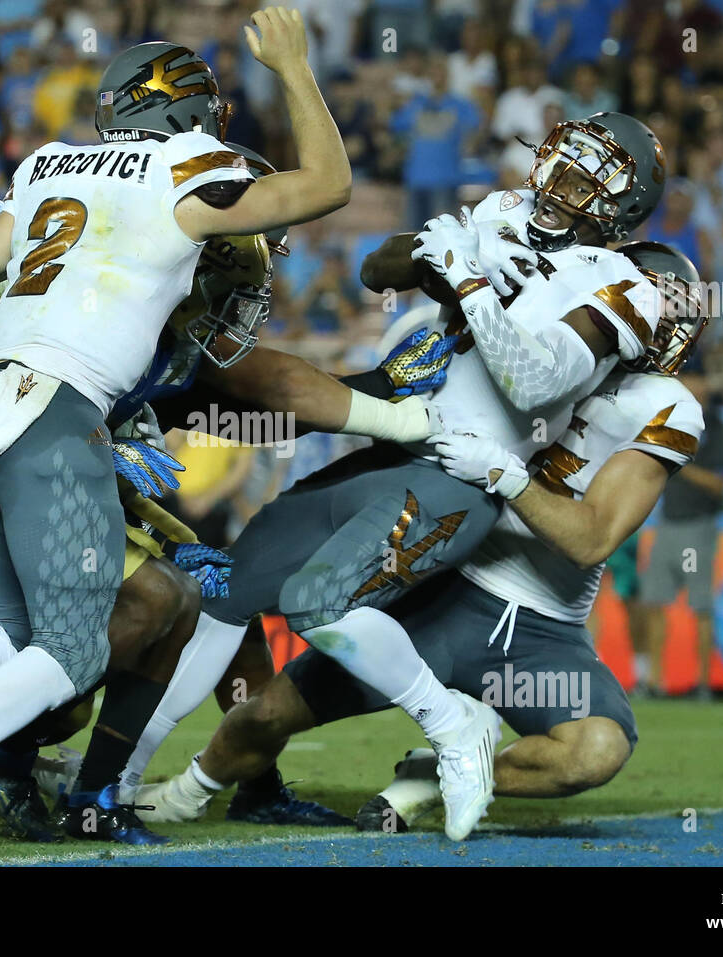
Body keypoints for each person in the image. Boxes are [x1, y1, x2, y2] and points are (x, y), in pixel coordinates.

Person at [0, 8, 363, 858]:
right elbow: (329, 185)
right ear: (189, 117)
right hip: (54, 412)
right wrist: (295, 67)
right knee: (77, 649)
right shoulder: (185, 167)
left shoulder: (49, 164)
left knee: (28, 641)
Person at [121, 111, 672, 844]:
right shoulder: (503, 209)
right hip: (396, 439)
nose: (559, 176)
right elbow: (375, 269)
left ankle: (452, 725)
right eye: (562, 156)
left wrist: (471, 282)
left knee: (317, 605)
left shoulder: (625, 284)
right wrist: (429, 253)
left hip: (456, 471)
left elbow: (535, 383)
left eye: (588, 171)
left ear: (622, 204)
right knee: (226, 588)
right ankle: (123, 774)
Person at [634, 359, 723, 699]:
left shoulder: (715, 427)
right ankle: (653, 681)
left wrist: (680, 461)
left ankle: (703, 683)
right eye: (690, 377)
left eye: (701, 378)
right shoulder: (669, 417)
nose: (696, 385)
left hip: (697, 528)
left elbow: (719, 485)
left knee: (701, 606)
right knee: (653, 602)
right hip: (667, 524)